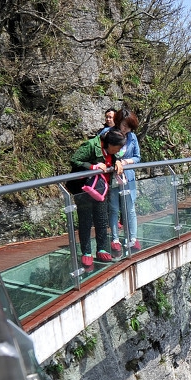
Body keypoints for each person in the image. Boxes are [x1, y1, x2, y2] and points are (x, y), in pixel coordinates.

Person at [69, 125, 126, 269]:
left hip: (101, 189)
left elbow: (114, 156)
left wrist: (117, 161)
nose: (118, 150)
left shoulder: (111, 151)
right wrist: (92, 167)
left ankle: (102, 249)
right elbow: (75, 160)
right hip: (84, 189)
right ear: (110, 144)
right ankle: (86, 252)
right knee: (85, 221)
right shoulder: (91, 145)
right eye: (117, 148)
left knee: (101, 220)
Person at [104, 108, 142, 253]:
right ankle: (115, 239)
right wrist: (115, 162)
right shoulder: (109, 134)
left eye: (129, 126)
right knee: (114, 208)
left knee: (130, 208)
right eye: (124, 125)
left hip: (128, 177)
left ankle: (133, 238)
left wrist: (126, 162)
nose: (126, 129)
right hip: (113, 177)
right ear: (119, 122)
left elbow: (138, 157)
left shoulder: (132, 137)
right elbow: (105, 153)